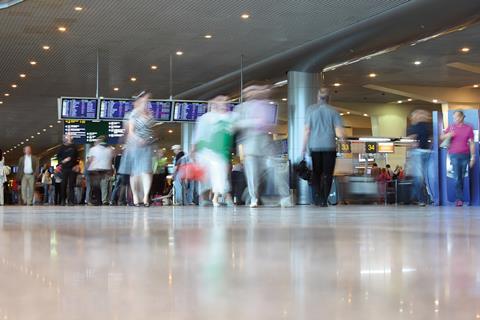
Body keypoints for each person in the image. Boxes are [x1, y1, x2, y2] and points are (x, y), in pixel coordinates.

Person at [236, 85, 292, 208]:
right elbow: (236, 124)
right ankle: (253, 198)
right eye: (248, 91)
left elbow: (271, 125)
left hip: (265, 143)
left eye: (252, 90)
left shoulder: (266, 105)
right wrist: (253, 122)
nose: (250, 93)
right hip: (249, 145)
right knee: (252, 174)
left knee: (277, 170)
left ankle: (285, 197)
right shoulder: (240, 108)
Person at [302, 87, 344, 207]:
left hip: (314, 147)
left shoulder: (310, 110)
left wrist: (303, 148)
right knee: (328, 174)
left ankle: (318, 197)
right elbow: (339, 132)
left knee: (316, 173)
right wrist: (343, 139)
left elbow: (306, 131)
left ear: (317, 97)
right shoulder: (334, 111)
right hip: (329, 147)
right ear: (329, 98)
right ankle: (324, 199)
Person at [192, 95, 236, 207]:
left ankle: (223, 196)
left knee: (220, 174)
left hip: (222, 151)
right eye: (221, 101)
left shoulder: (230, 117)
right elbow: (198, 135)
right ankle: (208, 197)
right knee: (208, 176)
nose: (224, 103)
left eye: (226, 101)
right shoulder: (206, 118)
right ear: (214, 104)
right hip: (206, 150)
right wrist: (193, 149)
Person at [118, 91, 155, 207]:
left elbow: (151, 130)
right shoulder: (133, 114)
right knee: (134, 173)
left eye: (147, 101)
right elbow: (131, 131)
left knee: (146, 171)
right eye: (144, 100)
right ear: (138, 102)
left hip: (147, 146)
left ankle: (145, 197)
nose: (146, 102)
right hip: (134, 146)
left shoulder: (150, 114)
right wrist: (139, 139)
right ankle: (135, 196)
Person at [441, 110, 475, 207]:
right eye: (454, 117)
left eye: (457, 117)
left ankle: (460, 197)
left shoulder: (469, 128)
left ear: (462, 117)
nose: (455, 119)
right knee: (457, 177)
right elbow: (441, 137)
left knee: (462, 177)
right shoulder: (451, 127)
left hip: (465, 155)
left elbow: (472, 143)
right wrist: (448, 134)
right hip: (454, 154)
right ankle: (459, 199)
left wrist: (473, 157)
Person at [407, 109, 433, 206]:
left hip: (426, 152)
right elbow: (411, 139)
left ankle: (422, 198)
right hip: (418, 153)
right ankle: (421, 199)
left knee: (427, 177)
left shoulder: (428, 126)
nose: (422, 115)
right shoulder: (413, 126)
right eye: (420, 114)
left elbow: (431, 138)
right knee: (419, 177)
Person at [86, 136, 114, 206]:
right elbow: (110, 160)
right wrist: (111, 169)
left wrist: (88, 167)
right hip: (105, 169)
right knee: (104, 186)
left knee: (95, 186)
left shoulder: (93, 149)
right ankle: (104, 200)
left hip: (94, 169)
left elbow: (90, 160)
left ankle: (97, 201)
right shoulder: (109, 149)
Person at [57, 134, 79, 206]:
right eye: (66, 137)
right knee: (63, 185)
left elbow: (76, 158)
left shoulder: (74, 147)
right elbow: (58, 158)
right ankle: (63, 200)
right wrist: (63, 161)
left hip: (72, 168)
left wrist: (77, 165)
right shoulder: (61, 148)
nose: (68, 138)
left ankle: (71, 201)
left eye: (69, 137)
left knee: (71, 185)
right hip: (64, 168)